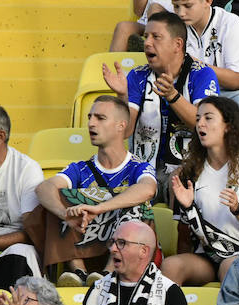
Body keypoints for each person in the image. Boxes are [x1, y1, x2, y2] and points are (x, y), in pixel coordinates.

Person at [32, 97, 156, 284]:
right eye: (90, 117)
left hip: (126, 244)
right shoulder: (81, 168)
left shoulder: (138, 166)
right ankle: (79, 273)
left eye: (100, 118)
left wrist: (100, 207)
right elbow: (44, 188)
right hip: (85, 236)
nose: (91, 123)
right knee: (57, 198)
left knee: (138, 205)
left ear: (121, 126)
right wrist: (64, 213)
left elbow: (148, 189)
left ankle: (108, 273)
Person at [163, 96, 239, 286]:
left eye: (208, 118)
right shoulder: (190, 172)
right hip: (203, 258)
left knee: (229, 267)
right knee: (171, 265)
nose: (200, 124)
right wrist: (187, 208)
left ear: (228, 126)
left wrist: (238, 209)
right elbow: (184, 236)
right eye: (197, 119)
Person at [100, 11, 219, 181]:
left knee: (180, 182)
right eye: (146, 36)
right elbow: (125, 132)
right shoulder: (137, 76)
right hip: (145, 169)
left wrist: (173, 96)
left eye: (156, 37)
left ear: (177, 44)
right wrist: (122, 95)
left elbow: (207, 125)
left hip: (190, 167)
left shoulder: (202, 74)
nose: (147, 43)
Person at [169, 0, 239, 130]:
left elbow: (237, 81)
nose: (181, 13)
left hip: (231, 96)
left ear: (207, 0)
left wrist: (194, 65)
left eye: (187, 6)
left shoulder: (231, 23)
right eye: (176, 7)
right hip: (190, 95)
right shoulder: (174, 27)